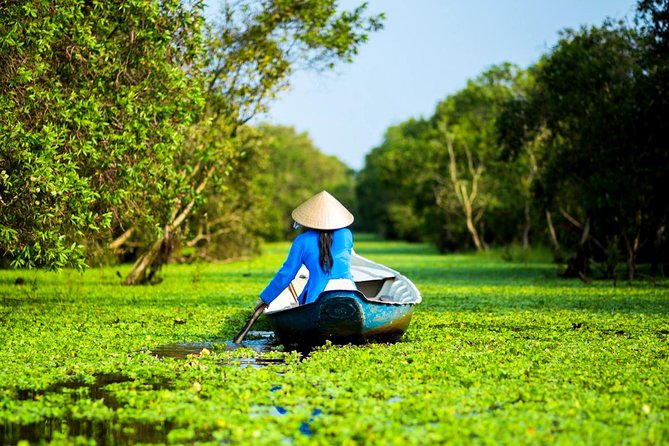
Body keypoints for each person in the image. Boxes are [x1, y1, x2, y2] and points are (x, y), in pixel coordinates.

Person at [254, 190, 355, 312]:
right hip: (351, 295)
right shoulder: (346, 234)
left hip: (317, 300)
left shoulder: (302, 241)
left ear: (311, 218)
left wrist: (265, 298)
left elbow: (287, 274)